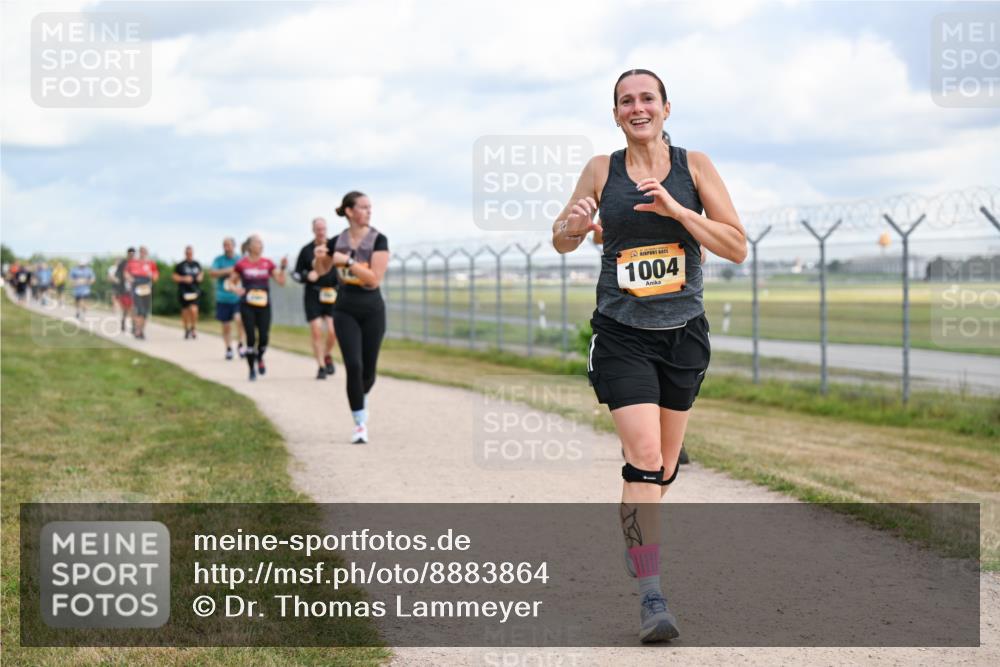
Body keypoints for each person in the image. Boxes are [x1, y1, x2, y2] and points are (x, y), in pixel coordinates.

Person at [552, 69, 746, 644]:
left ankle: (643, 522)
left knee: (662, 467)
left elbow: (735, 246)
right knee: (642, 460)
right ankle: (652, 592)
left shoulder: (696, 167)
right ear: (615, 114)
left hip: (683, 334)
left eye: (647, 98)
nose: (637, 107)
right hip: (621, 334)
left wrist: (677, 213)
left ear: (665, 107)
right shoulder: (600, 169)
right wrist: (574, 226)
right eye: (625, 101)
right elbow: (562, 237)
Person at [314, 191, 390, 444]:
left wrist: (347, 261)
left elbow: (374, 278)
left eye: (370, 207)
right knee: (354, 366)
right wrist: (319, 257)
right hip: (345, 308)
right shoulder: (337, 241)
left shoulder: (379, 240)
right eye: (364, 207)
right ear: (349, 211)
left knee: (369, 372)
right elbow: (322, 271)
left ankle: (361, 395)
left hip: (372, 309)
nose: (369, 211)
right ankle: (359, 423)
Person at [225, 234, 288, 381]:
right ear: (250, 247)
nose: (261, 245)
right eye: (258, 243)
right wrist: (236, 289)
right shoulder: (242, 264)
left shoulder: (268, 263)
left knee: (264, 337)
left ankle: (260, 357)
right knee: (251, 337)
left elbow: (280, 281)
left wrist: (283, 268)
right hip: (247, 305)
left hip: (264, 305)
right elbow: (229, 283)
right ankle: (251, 369)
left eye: (261, 243)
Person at [293, 217, 339, 379]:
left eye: (323, 229)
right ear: (313, 230)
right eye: (318, 229)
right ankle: (320, 366)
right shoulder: (306, 250)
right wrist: (307, 276)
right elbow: (296, 274)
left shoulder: (333, 248)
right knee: (317, 331)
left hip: (332, 294)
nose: (321, 232)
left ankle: (327, 355)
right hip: (313, 294)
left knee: (333, 331)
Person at [209, 237, 246, 360]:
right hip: (223, 297)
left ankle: (241, 345)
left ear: (233, 246)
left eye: (229, 245)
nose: (226, 247)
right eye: (224, 245)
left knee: (239, 319)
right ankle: (228, 348)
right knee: (226, 325)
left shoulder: (239, 259)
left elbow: (245, 272)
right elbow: (212, 273)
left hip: (237, 297)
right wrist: (228, 270)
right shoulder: (219, 260)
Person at [126, 246, 159, 340]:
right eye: (141, 251)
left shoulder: (151, 263)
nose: (143, 253)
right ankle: (137, 330)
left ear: (147, 253)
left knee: (145, 311)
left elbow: (156, 275)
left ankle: (141, 330)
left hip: (147, 287)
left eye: (144, 251)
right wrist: (130, 278)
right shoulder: (133, 263)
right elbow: (126, 273)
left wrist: (153, 276)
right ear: (139, 252)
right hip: (136, 286)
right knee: (139, 309)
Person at [172, 245, 204, 339]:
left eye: (190, 253)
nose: (189, 254)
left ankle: (193, 328)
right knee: (185, 311)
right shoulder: (180, 265)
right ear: (185, 253)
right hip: (184, 291)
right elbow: (174, 277)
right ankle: (186, 329)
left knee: (194, 310)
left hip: (194, 290)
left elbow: (201, 273)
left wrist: (200, 277)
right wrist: (183, 278)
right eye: (187, 253)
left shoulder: (197, 264)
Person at [111, 248, 135, 332]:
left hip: (134, 289)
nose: (132, 256)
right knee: (125, 308)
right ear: (128, 254)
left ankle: (133, 326)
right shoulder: (122, 263)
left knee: (133, 308)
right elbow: (117, 275)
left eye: (133, 254)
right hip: (124, 289)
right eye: (130, 254)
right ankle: (123, 322)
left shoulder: (136, 263)